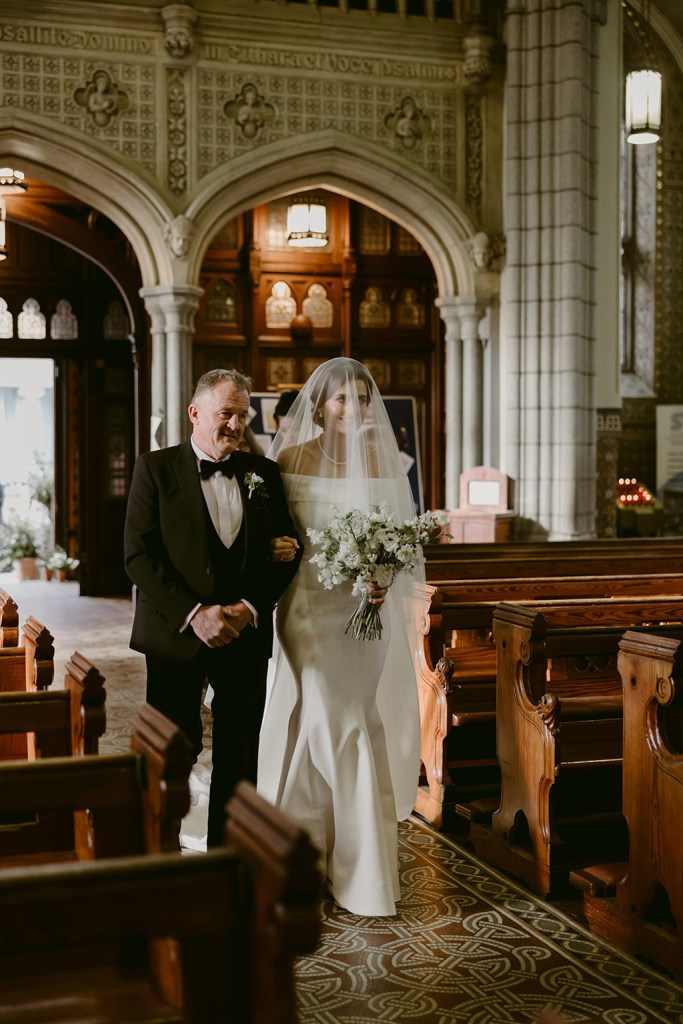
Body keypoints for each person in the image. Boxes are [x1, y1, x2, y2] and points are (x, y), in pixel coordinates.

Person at [258, 357, 423, 916]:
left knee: (337, 719)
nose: (352, 409)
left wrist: (382, 579)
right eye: (341, 400)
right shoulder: (288, 459)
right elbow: (272, 533)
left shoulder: (384, 460)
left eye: (360, 398)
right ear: (320, 406)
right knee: (332, 717)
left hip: (362, 613)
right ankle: (348, 867)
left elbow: (399, 537)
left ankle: (309, 854)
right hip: (305, 607)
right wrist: (278, 548)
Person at [124, 368, 302, 847]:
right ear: (195, 412)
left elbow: (289, 551)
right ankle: (159, 843)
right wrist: (194, 614)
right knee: (173, 745)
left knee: (240, 749)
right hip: (174, 635)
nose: (236, 425)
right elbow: (139, 555)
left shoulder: (262, 474)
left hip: (244, 634)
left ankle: (230, 853)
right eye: (227, 413)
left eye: (243, 416)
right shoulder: (154, 469)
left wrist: (247, 606)